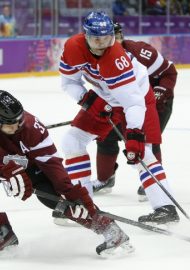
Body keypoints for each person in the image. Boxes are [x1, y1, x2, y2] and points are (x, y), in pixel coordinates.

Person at [59, 11, 179, 224]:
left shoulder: (115, 59)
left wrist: (134, 133)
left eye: (106, 38)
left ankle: (165, 207)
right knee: (72, 141)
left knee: (141, 153)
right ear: (85, 35)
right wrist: (87, 100)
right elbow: (69, 83)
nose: (102, 43)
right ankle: (83, 204)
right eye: (96, 38)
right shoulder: (72, 47)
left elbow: (132, 103)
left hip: (138, 99)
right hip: (104, 98)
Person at [0, 90, 133, 256]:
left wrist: (69, 192)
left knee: (53, 196)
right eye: (10, 125)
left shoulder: (31, 127)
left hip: (28, 164)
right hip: (7, 163)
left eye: (19, 121)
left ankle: (110, 230)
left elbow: (52, 164)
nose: (17, 126)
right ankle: (2, 233)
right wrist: (4, 170)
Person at [92, 22, 177, 202]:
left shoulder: (142, 52)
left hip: (153, 103)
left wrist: (159, 92)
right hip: (121, 104)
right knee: (105, 137)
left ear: (119, 37)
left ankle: (154, 184)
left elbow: (169, 73)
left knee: (146, 142)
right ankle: (104, 179)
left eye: (112, 38)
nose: (105, 44)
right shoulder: (95, 58)